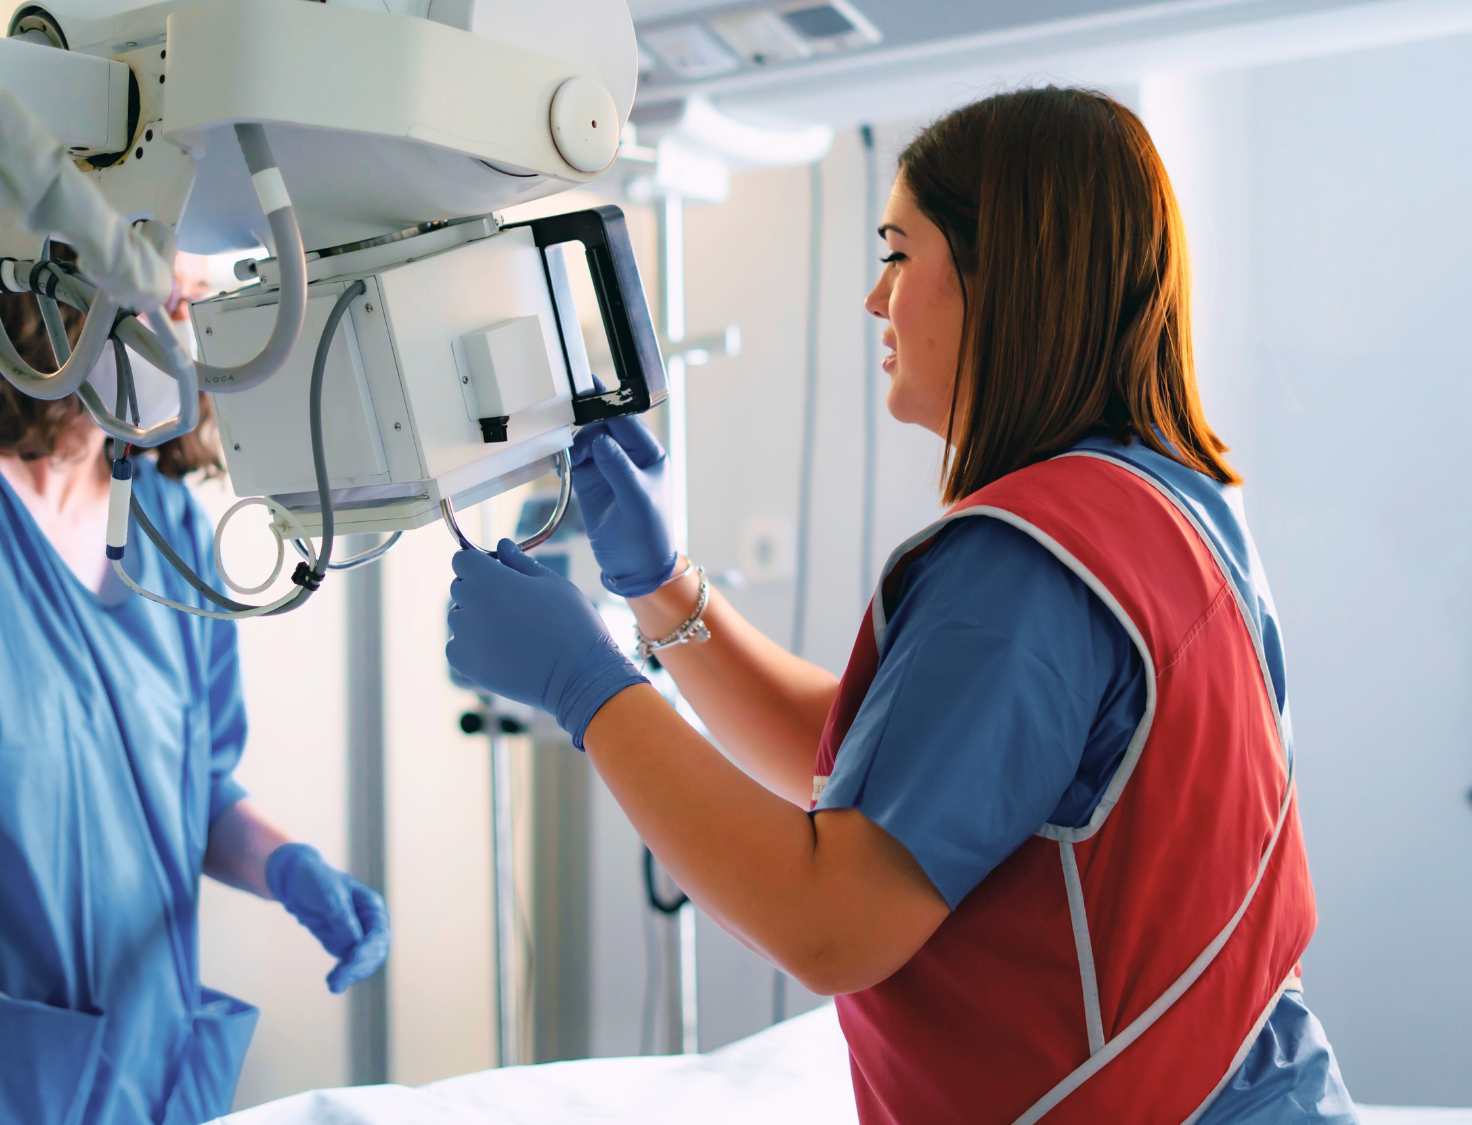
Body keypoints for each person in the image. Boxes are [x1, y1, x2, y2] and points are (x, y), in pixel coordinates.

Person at [446, 88, 1356, 1123]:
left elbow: (829, 922)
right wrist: (662, 591)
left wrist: (588, 689)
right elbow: (907, 783)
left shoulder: (1024, 568)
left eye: (898, 253)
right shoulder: (1160, 504)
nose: (876, 301)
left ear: (1004, 277)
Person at [0, 176, 391, 1125]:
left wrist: (287, 863)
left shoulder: (166, 525)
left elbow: (192, 791)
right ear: (49, 295)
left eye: (195, 303)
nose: (191, 334)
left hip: (137, 1077)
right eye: (170, 299)